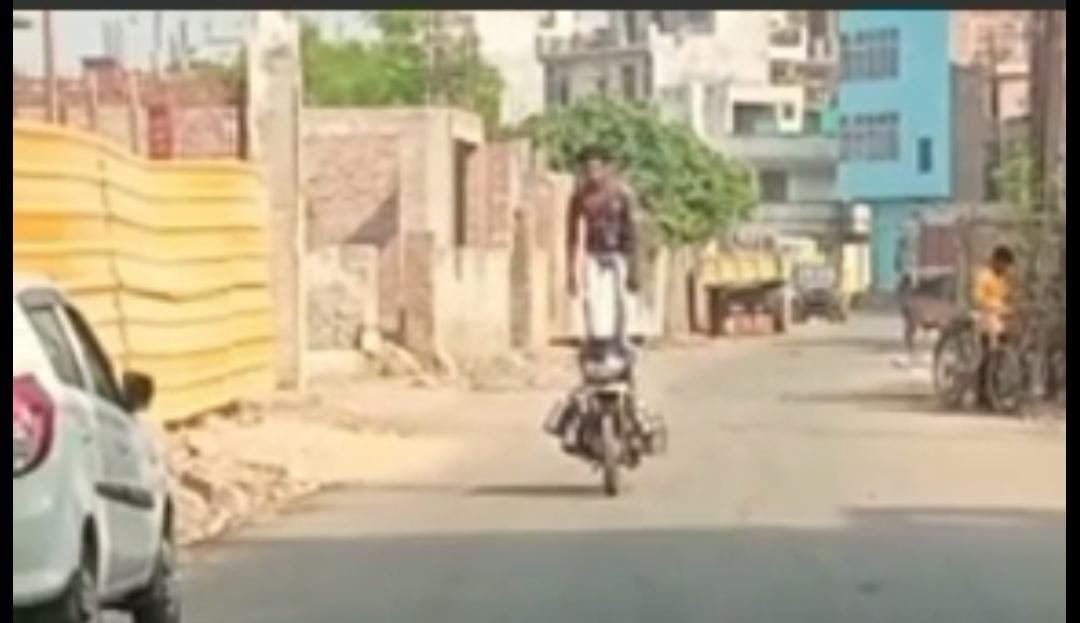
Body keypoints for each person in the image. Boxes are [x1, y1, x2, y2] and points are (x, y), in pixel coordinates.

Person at [565, 145, 641, 358]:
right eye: (588, 169)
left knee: (622, 298)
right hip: (594, 251)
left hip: (619, 251)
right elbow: (571, 235)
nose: (593, 174)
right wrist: (571, 271)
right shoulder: (581, 197)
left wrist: (635, 267)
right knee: (589, 298)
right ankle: (592, 339)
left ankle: (621, 339)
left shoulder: (622, 194)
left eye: (597, 168)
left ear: (607, 169)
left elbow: (634, 230)